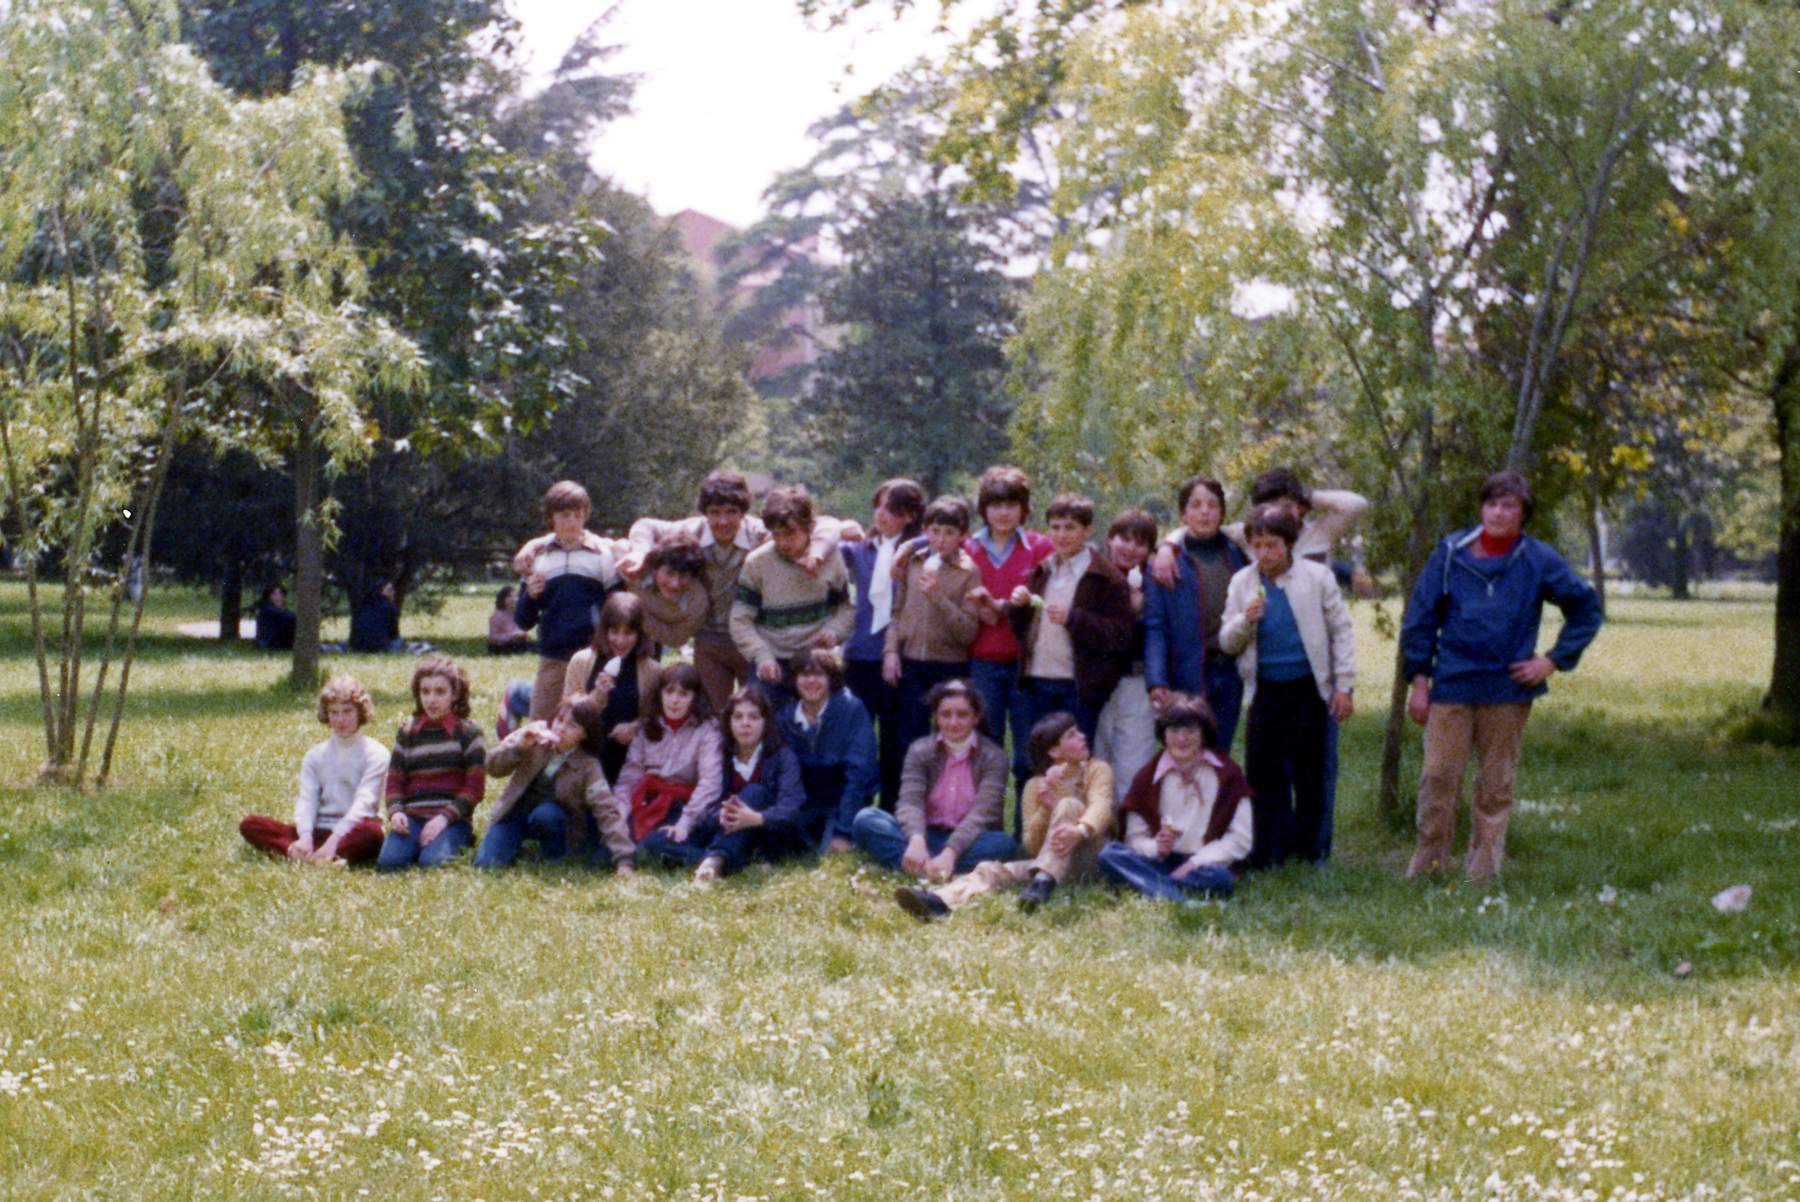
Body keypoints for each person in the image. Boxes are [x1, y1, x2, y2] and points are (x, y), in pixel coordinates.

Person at [1400, 470, 1603, 883]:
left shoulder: (1538, 559)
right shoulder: (1450, 554)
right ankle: (1428, 868)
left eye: (1508, 505)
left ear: (1523, 514)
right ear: (1481, 508)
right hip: (1452, 685)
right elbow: (1420, 619)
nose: (1497, 512)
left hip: (1507, 690)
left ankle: (1482, 875)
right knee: (1438, 777)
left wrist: (1552, 660)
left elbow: (1586, 608)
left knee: (1494, 786)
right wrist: (1419, 682)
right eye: (1491, 503)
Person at [621, 471, 851, 713]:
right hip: (709, 639)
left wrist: (818, 550)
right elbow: (644, 526)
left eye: (731, 512)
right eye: (714, 513)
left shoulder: (761, 534)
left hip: (752, 638)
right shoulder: (690, 532)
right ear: (704, 513)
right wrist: (640, 552)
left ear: (744, 512)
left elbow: (827, 524)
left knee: (755, 713)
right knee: (713, 714)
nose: (723, 521)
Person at [1219, 504, 1356, 868]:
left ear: (1290, 544)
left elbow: (1341, 631)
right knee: (1263, 774)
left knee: (1310, 773)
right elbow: (1227, 641)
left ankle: (1311, 851)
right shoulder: (1243, 582)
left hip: (1309, 689)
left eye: (1272, 545)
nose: (1264, 554)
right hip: (1265, 692)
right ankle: (1268, 850)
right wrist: (1245, 622)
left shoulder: (1317, 577)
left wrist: (1344, 685)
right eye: (1257, 546)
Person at [894, 711, 1115, 919]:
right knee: (994, 870)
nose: (1082, 737)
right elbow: (1032, 845)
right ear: (1054, 751)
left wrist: (1078, 830)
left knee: (1068, 804)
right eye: (1072, 735)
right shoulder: (1035, 786)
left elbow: (1101, 807)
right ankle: (939, 901)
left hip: (1091, 856)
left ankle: (1044, 880)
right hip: (1053, 864)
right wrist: (1046, 809)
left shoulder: (1097, 769)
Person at [1006, 492, 1134, 789]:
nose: (1062, 535)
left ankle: (1073, 831)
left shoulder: (1106, 578)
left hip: (1077, 688)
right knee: (1031, 765)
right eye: (1056, 527)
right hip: (1034, 682)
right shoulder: (1042, 570)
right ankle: (1027, 833)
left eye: (1071, 527)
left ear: (1087, 530)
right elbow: (1022, 632)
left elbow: (1121, 636)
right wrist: (1018, 607)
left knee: (1073, 769)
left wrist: (1075, 619)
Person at [850, 678, 1019, 878]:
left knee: (1004, 844)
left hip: (969, 840)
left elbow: (982, 814)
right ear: (936, 718)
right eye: (945, 715)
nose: (953, 722)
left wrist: (951, 852)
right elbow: (909, 802)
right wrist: (916, 840)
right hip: (925, 833)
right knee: (866, 819)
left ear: (976, 717)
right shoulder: (920, 750)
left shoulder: (994, 756)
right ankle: (933, 868)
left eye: (962, 715)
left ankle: (918, 867)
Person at [957, 465, 1055, 801]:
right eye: (996, 505)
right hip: (981, 661)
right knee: (986, 747)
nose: (1003, 513)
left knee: (1029, 749)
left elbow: (1052, 598)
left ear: (1023, 509)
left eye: (1011, 505)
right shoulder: (968, 549)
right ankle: (987, 826)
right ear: (984, 508)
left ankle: (1026, 829)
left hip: (1026, 664)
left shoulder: (1041, 548)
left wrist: (1011, 604)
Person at [641, 688, 807, 882]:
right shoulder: (721, 755)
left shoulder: (782, 756)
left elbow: (792, 809)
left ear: (765, 723)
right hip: (723, 830)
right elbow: (708, 802)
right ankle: (729, 861)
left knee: (754, 792)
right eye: (738, 717)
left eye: (753, 717)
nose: (745, 723)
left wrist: (757, 818)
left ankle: (714, 862)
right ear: (729, 722)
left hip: (766, 834)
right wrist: (720, 815)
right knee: (652, 843)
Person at [1098, 693, 1251, 901]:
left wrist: (1194, 863)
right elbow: (1134, 838)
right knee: (1110, 855)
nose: (1181, 739)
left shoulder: (1228, 774)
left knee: (1220, 878)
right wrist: (1156, 848)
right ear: (1163, 733)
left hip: (1203, 864)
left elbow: (1240, 839)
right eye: (1174, 730)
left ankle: (1152, 888)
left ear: (1203, 734)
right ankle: (1179, 897)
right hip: (1160, 862)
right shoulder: (1147, 776)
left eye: (1190, 731)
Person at [1144, 476, 1251, 753]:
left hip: (1230, 672)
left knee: (1218, 752)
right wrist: (1157, 680)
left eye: (1212, 505)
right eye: (1196, 505)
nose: (1205, 512)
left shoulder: (1239, 555)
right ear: (1183, 514)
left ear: (1222, 513)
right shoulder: (1165, 564)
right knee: (1184, 752)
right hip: (1186, 671)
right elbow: (1155, 628)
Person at [729, 485, 855, 711]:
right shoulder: (757, 563)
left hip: (814, 659)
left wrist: (835, 631)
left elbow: (845, 608)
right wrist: (761, 654)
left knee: (836, 714)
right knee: (758, 716)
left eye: (790, 534)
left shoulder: (831, 559)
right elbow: (740, 619)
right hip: (772, 659)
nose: (783, 542)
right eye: (776, 535)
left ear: (809, 528)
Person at [238, 674, 388, 865]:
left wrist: (333, 842)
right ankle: (308, 855)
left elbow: (364, 803)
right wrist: (305, 836)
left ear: (360, 712)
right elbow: (307, 800)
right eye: (334, 712)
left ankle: (325, 855)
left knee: (373, 834)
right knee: (251, 824)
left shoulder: (376, 753)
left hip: (352, 831)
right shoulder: (315, 756)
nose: (340, 719)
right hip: (319, 830)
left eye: (347, 711)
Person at [475, 697, 633, 873]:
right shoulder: (535, 736)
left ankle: (553, 854)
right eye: (559, 720)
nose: (561, 728)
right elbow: (492, 767)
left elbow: (606, 810)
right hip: (517, 812)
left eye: (572, 726)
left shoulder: (589, 766)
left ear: (584, 734)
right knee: (487, 864)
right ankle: (515, 842)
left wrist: (624, 859)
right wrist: (519, 746)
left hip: (553, 821)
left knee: (545, 815)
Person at [841, 478, 925, 807]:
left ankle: (891, 809)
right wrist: (844, 524)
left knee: (896, 739)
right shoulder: (861, 550)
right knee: (858, 738)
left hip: (901, 656)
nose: (881, 514)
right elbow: (821, 538)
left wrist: (907, 546)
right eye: (878, 506)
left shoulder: (918, 552)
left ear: (908, 514)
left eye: (891, 509)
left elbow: (942, 541)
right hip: (860, 654)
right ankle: (855, 809)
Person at [882, 496, 982, 756]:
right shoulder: (914, 562)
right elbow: (897, 613)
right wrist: (891, 652)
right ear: (925, 531)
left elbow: (968, 632)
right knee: (909, 738)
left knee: (947, 741)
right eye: (935, 531)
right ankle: (909, 795)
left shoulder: (968, 571)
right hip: (912, 663)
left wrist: (938, 598)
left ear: (963, 536)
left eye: (949, 533)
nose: (941, 539)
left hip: (949, 666)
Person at [512, 481, 620, 720]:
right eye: (565, 515)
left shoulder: (601, 554)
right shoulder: (538, 557)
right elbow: (523, 621)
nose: (572, 522)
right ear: (551, 518)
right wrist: (530, 596)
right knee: (541, 727)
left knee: (591, 725)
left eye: (578, 515)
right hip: (553, 655)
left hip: (593, 656)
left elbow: (617, 608)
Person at [377, 655, 485, 870]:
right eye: (425, 691)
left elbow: (474, 789)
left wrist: (444, 819)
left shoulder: (469, 733)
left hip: (451, 820)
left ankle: (460, 840)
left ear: (455, 694)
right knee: (389, 863)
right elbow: (395, 782)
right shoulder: (407, 732)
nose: (431, 699)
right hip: (413, 818)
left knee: (432, 862)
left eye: (440, 691)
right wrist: (396, 811)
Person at [611, 662, 725, 852]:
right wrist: (620, 815)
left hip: (684, 805)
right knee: (608, 850)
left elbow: (710, 783)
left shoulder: (708, 730)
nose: (674, 700)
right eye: (669, 692)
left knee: (654, 845)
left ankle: (710, 859)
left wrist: (685, 822)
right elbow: (630, 776)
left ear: (695, 698)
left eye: (683, 694)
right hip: (647, 800)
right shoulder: (648, 727)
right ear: (660, 694)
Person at [778, 648, 880, 852]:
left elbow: (858, 774)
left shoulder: (852, 709)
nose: (811, 681)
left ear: (831, 679)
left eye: (818, 675)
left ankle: (841, 830)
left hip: (844, 797)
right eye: (805, 675)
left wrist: (843, 832)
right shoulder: (785, 717)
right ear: (795, 679)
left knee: (833, 850)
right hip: (808, 799)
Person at [560, 591, 662, 783]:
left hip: (628, 765)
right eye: (614, 632)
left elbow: (655, 720)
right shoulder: (581, 661)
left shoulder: (652, 671)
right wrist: (596, 697)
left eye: (629, 633)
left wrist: (636, 727)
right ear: (604, 630)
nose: (620, 641)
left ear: (640, 634)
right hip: (584, 762)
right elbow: (566, 715)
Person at [1094, 509, 1160, 804]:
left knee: (1134, 764)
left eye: (1140, 543)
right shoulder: (1093, 577)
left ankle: (1132, 836)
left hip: (1136, 680)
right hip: (1097, 682)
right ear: (1109, 539)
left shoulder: (1156, 584)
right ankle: (1097, 836)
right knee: (1099, 758)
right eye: (1124, 539)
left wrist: (1140, 610)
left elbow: (1159, 636)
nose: (1130, 548)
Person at [630, 536, 711, 652]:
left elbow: (676, 638)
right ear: (655, 569)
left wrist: (638, 611)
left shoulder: (698, 601)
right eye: (669, 573)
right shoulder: (636, 572)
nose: (675, 584)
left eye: (683, 576)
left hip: (654, 639)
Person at [348, 580, 403, 653]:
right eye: (390, 590)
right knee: (398, 641)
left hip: (356, 647)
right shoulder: (389, 607)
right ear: (380, 591)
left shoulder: (361, 604)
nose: (393, 592)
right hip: (379, 647)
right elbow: (394, 634)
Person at [487, 585, 530, 655]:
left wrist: (523, 635)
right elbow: (492, 637)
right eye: (509, 597)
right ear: (502, 599)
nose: (514, 599)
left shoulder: (518, 615)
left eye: (516, 596)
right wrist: (511, 636)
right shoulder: (497, 616)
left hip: (516, 643)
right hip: (500, 647)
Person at [253, 585, 296, 652]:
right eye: (274, 594)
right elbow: (292, 618)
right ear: (268, 596)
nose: (278, 597)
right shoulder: (268, 609)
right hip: (269, 642)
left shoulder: (280, 609)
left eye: (280, 594)